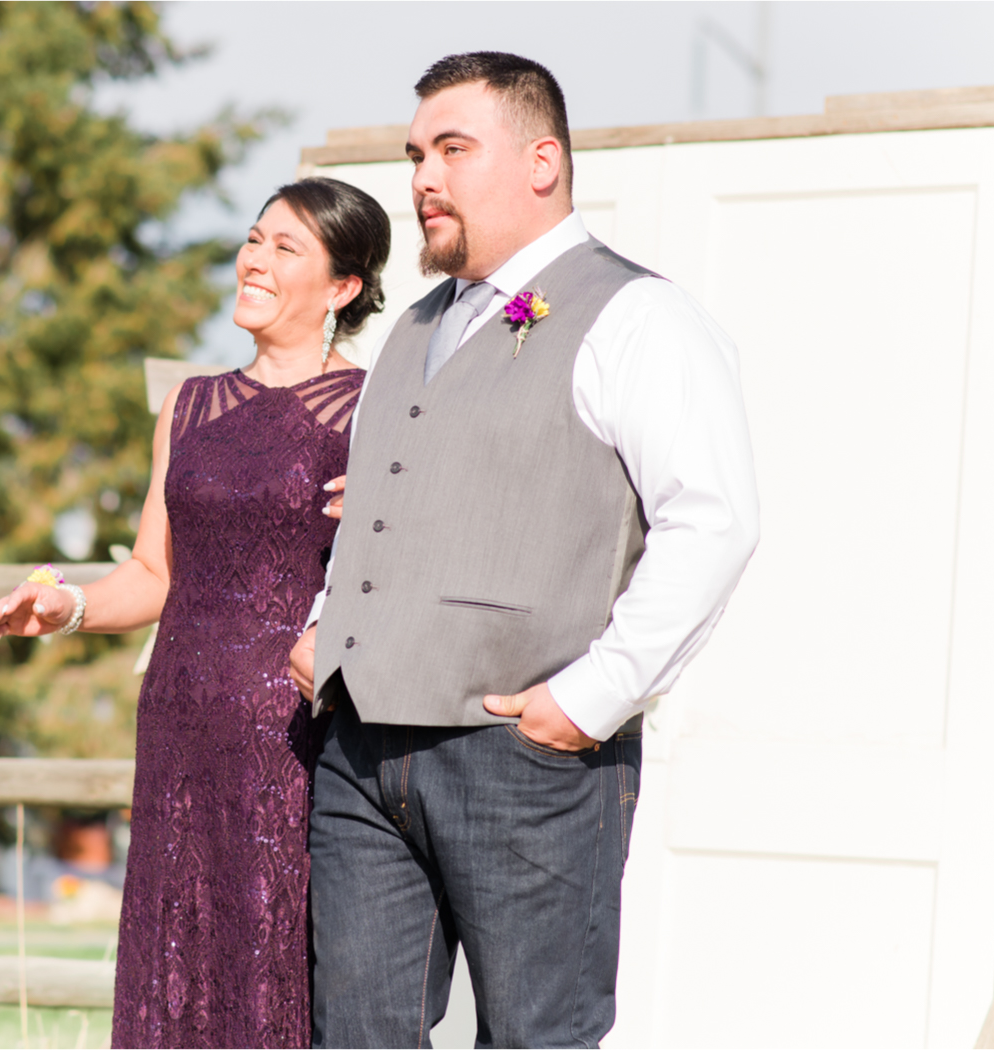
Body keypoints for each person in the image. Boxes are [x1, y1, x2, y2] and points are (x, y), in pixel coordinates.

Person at [288, 53, 761, 1048]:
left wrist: (590, 699)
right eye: (416, 153)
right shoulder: (408, 332)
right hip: (362, 756)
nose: (422, 177)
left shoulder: (637, 315)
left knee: (534, 1039)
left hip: (524, 762)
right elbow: (379, 503)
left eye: (453, 149)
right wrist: (324, 624)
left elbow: (713, 520)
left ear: (542, 161)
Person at [0, 177, 392, 1049]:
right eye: (253, 239)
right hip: (177, 724)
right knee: (174, 960)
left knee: (274, 960)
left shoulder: (373, 411)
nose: (255, 260)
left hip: (292, 735)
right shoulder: (191, 405)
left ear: (343, 287)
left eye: (287, 248)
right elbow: (151, 571)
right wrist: (64, 607)